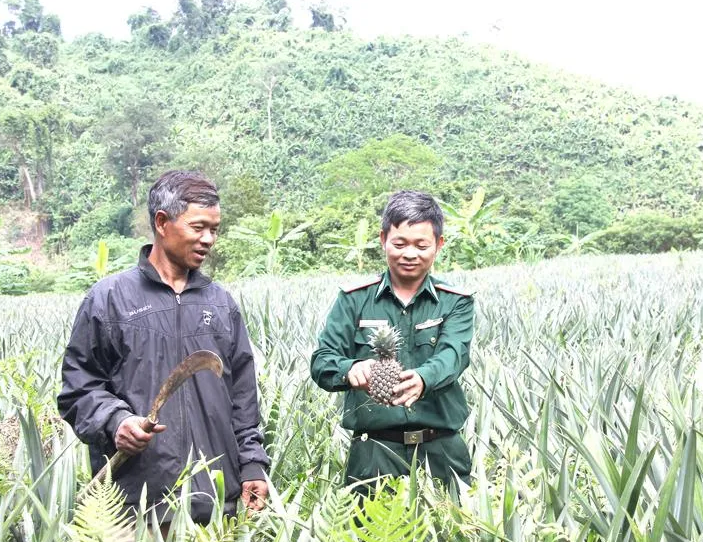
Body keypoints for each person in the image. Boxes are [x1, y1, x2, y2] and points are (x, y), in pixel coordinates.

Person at [57, 170, 269, 523]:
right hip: (133, 507)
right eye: (198, 227)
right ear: (162, 222)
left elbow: (243, 400)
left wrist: (252, 465)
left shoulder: (220, 304)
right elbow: (79, 389)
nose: (208, 239)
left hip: (215, 504)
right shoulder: (110, 300)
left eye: (214, 229)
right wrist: (116, 420)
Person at [310, 190, 475, 493]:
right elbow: (322, 360)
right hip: (374, 451)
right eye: (399, 243)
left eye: (421, 245)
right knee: (373, 537)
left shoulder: (456, 302)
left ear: (438, 245)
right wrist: (351, 369)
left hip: (441, 448)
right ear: (383, 239)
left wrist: (424, 378)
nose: (409, 254)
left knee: (453, 535)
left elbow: (454, 354)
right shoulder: (353, 299)